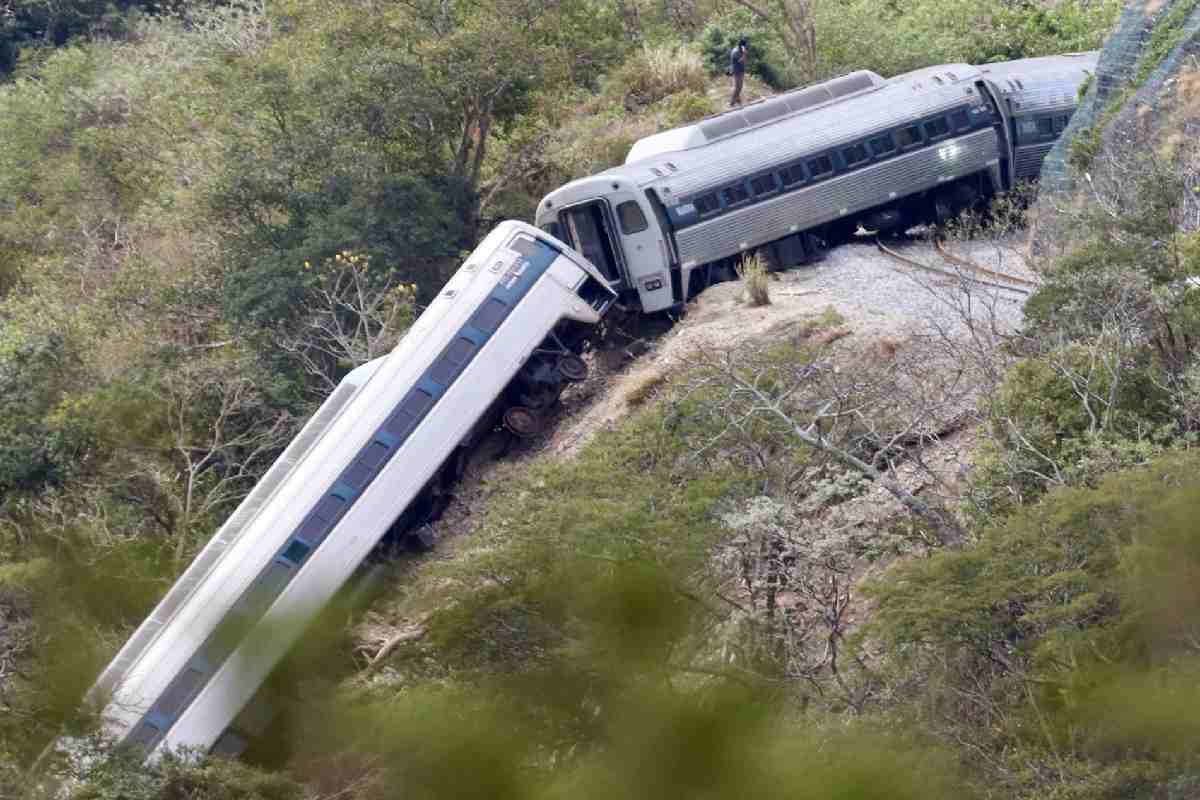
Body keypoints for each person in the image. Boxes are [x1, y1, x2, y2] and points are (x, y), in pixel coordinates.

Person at [729, 36, 748, 107]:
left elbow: (744, 61)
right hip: (737, 71)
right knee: (738, 87)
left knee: (740, 86)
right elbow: (740, 60)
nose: (745, 47)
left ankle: (738, 100)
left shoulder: (741, 50)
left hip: (741, 70)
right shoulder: (736, 51)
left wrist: (744, 54)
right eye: (744, 46)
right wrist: (745, 54)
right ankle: (732, 103)